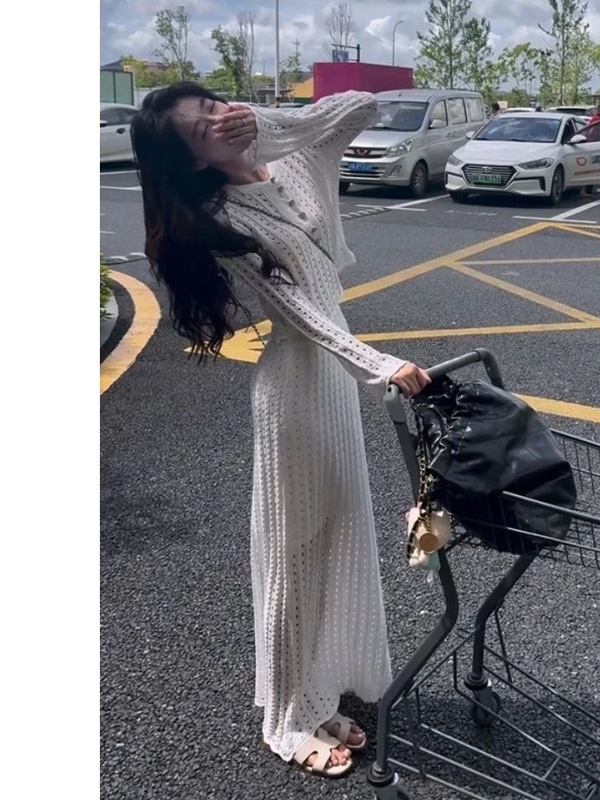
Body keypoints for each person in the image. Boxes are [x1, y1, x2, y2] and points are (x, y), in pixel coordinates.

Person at [130, 83, 432, 778]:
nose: (220, 121)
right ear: (193, 161)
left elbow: (361, 107)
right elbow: (302, 315)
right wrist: (381, 365)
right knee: (294, 558)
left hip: (334, 385)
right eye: (202, 130)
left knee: (336, 540)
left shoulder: (293, 158)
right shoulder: (220, 219)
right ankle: (287, 720)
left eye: (215, 106)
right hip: (296, 386)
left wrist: (265, 122)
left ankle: (318, 694)